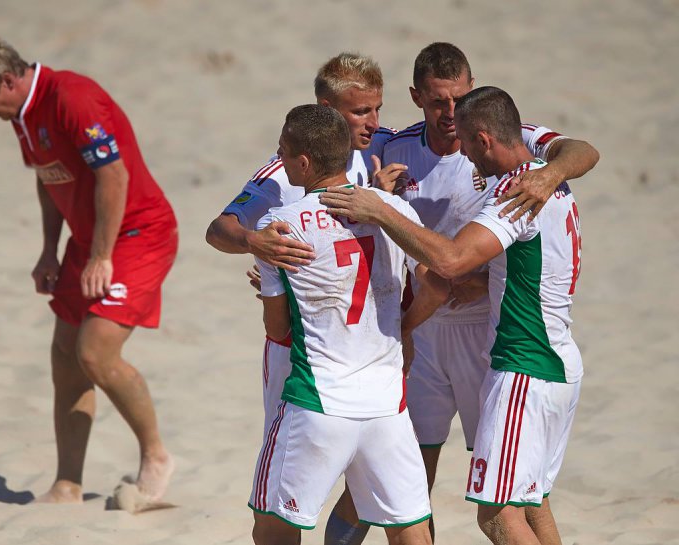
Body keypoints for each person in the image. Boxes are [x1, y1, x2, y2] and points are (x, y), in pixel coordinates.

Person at [321, 85, 589, 545]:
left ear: (483, 139)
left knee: (498, 517)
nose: (461, 153)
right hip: (557, 360)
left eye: (466, 142)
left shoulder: (517, 192)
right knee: (530, 502)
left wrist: (381, 210)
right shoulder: (549, 177)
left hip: (524, 364)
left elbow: (449, 262)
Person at [0, 35, 177, 511]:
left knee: (94, 352)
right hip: (88, 241)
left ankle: (156, 456)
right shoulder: (23, 114)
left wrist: (100, 256)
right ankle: (67, 486)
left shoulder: (72, 98)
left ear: (7, 80)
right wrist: (50, 251)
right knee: (64, 357)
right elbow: (48, 175)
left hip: (137, 234)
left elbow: (113, 176)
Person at [206, 52, 396, 545]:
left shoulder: (375, 162)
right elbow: (219, 228)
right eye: (360, 112)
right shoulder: (282, 171)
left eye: (377, 109)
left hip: (369, 351)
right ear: (326, 107)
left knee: (381, 485)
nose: (374, 123)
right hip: (299, 354)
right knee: (284, 498)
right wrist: (254, 242)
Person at [250, 103, 437, 545]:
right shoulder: (392, 210)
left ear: (304, 162)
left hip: (319, 403)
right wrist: (403, 328)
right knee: (411, 533)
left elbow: (278, 330)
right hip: (387, 403)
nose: (278, 154)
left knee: (273, 529)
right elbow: (437, 288)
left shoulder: (279, 227)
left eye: (283, 149)